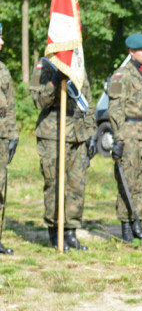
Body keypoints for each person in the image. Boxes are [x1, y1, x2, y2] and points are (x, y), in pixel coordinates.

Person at [30, 57, 96, 250]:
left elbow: (88, 103)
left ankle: (70, 232)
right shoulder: (44, 68)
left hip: (77, 133)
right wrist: (53, 81)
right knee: (54, 183)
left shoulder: (77, 65)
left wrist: (91, 132)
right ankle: (54, 231)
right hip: (53, 133)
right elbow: (38, 101)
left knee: (76, 185)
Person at [109, 34, 142, 244]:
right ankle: (125, 226)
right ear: (132, 52)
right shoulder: (121, 76)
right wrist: (119, 139)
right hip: (130, 135)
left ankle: (138, 225)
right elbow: (115, 108)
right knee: (128, 182)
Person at [0, 24, 17, 255]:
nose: (2, 42)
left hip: (2, 134)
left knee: (0, 186)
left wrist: (13, 134)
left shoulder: (3, 70)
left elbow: (10, 105)